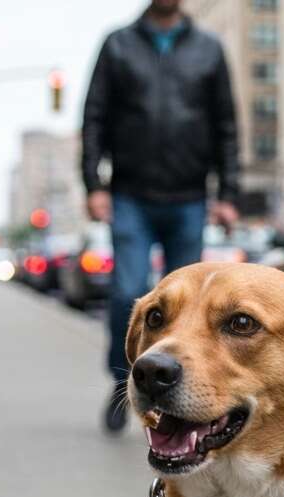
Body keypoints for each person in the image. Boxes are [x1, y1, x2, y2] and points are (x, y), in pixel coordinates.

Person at [82, 0, 240, 433]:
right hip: (130, 196)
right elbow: (94, 118)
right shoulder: (118, 45)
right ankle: (124, 380)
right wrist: (94, 185)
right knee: (127, 293)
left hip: (189, 197)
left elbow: (226, 125)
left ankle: (181, 393)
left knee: (189, 311)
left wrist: (228, 194)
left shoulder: (209, 48)